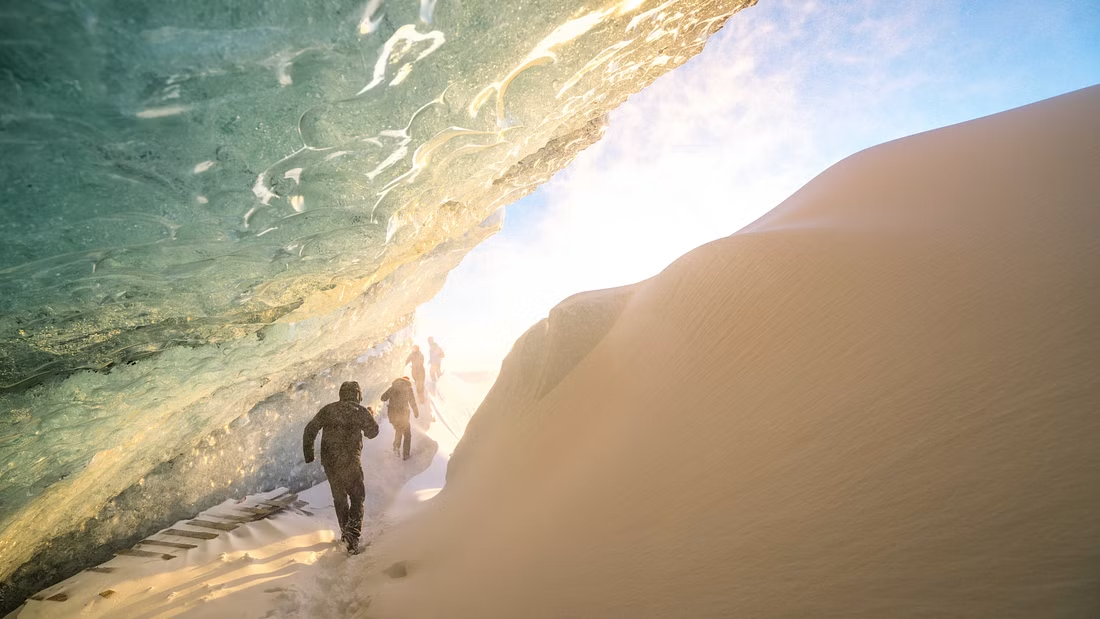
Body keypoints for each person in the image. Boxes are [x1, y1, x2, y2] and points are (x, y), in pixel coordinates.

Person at [302, 381, 379, 553]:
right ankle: (352, 535)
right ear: (358, 395)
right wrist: (369, 415)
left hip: (330, 462)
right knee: (358, 497)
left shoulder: (329, 409)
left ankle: (346, 533)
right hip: (350, 461)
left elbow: (310, 429)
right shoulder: (360, 411)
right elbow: (373, 433)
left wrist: (309, 455)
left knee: (340, 498)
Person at [381, 376, 419, 460]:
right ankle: (405, 454)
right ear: (407, 382)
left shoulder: (392, 388)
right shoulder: (408, 389)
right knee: (407, 434)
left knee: (399, 429)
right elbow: (412, 402)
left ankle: (396, 448)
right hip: (403, 415)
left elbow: (383, 398)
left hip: (392, 414)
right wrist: (416, 412)